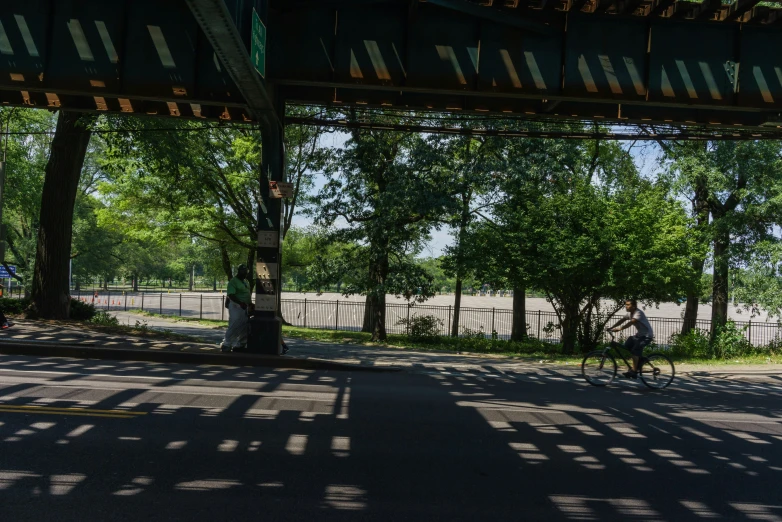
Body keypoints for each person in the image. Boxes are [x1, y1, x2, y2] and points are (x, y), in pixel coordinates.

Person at [608, 299, 654, 379]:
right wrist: (612, 327)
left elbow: (631, 322)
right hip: (639, 335)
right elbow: (622, 320)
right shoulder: (630, 314)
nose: (626, 306)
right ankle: (640, 360)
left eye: (628, 305)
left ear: (634, 306)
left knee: (635, 351)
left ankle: (634, 371)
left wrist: (620, 329)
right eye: (626, 304)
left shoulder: (638, 313)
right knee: (627, 345)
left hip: (646, 336)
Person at [221, 264, 253, 352]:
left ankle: (240, 345)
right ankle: (227, 344)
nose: (245, 274)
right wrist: (240, 303)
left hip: (245, 306)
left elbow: (246, 294)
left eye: (246, 272)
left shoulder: (246, 281)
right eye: (243, 272)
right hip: (236, 306)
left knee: (244, 326)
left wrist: (250, 304)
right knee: (235, 324)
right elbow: (231, 295)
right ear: (239, 271)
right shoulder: (233, 281)